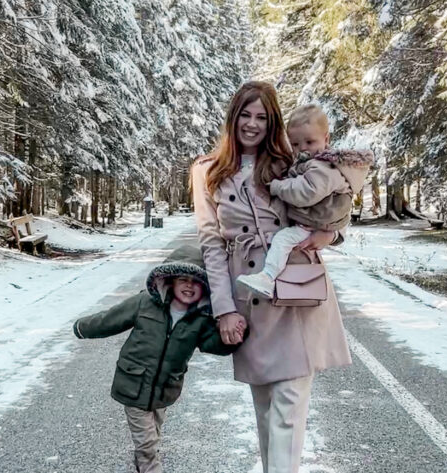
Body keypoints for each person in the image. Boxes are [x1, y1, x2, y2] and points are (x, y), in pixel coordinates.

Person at [191, 81, 352, 473]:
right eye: (245, 115)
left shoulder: (288, 163)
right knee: (266, 410)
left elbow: (334, 198)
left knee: (288, 408)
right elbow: (211, 245)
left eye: (262, 117)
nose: (252, 124)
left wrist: (331, 233)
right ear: (233, 118)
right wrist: (224, 310)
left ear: (273, 121)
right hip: (250, 298)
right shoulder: (206, 171)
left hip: (297, 291)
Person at [72, 244, 241, 473]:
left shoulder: (200, 319)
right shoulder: (145, 303)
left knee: (153, 436)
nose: (188, 286)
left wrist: (233, 337)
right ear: (170, 280)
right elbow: (110, 319)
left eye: (195, 281)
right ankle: (150, 465)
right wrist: (82, 328)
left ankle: (144, 463)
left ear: (205, 287)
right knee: (147, 443)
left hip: (164, 389)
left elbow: (214, 345)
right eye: (183, 279)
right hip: (133, 383)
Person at [236, 104, 372, 298]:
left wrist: (332, 234)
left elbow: (313, 193)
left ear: (326, 139)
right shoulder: (307, 162)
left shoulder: (321, 166)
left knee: (282, 240)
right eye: (296, 144)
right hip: (303, 230)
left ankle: (267, 276)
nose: (302, 149)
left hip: (307, 241)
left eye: (309, 142)